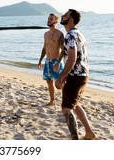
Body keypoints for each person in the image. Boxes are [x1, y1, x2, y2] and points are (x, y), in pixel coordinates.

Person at [55, 9, 96, 140]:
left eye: (65, 15)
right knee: (74, 104)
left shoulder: (70, 35)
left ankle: (75, 140)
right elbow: (72, 56)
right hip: (82, 75)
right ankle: (89, 133)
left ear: (70, 20)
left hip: (76, 76)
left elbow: (72, 59)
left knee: (66, 109)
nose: (62, 16)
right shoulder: (78, 34)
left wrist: (61, 75)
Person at [37, 13, 64, 106]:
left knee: (60, 83)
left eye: (51, 19)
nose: (48, 20)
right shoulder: (46, 34)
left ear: (56, 21)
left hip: (56, 61)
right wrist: (40, 60)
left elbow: (63, 50)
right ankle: (52, 100)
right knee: (49, 81)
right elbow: (44, 48)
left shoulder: (60, 34)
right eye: (48, 18)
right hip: (47, 61)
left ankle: (65, 101)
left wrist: (58, 62)